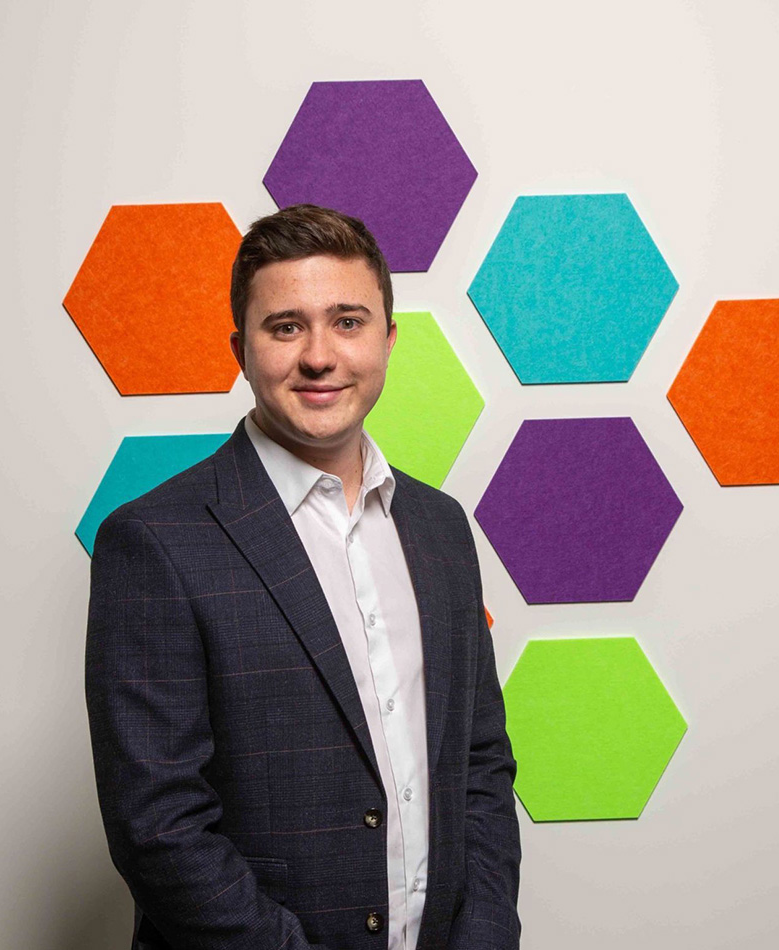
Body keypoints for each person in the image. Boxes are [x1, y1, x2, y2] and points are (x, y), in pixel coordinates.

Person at [85, 204, 521, 950]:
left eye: (348, 322)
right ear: (240, 349)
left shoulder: (442, 528)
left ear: (388, 339)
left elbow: (479, 766)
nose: (320, 356)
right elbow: (158, 826)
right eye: (286, 327)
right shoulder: (155, 542)